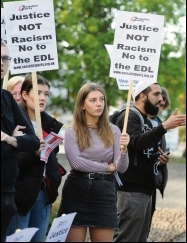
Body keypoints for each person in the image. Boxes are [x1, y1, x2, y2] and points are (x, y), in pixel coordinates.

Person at [113, 81, 186, 242]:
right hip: (130, 189)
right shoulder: (129, 116)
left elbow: (145, 150)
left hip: (146, 188)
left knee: (140, 238)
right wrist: (164, 127)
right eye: (156, 94)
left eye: (160, 94)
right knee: (127, 238)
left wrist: (161, 160)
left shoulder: (148, 119)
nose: (161, 98)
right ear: (142, 96)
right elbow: (137, 142)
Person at [57, 82, 130, 242]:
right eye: (93, 100)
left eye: (102, 99)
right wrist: (107, 167)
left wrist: (124, 150)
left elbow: (121, 167)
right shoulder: (72, 131)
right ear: (82, 104)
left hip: (104, 192)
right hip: (77, 189)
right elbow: (76, 162)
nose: (99, 104)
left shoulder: (114, 130)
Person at [7, 75, 66, 242]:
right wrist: (31, 150)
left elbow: (50, 160)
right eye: (38, 92)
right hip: (20, 197)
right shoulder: (13, 123)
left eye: (46, 94)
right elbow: (11, 162)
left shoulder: (51, 125)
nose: (42, 98)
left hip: (44, 195)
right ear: (25, 95)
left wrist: (53, 181)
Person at [1, 41, 40, 242]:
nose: (1, 63)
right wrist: (16, 143)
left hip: (8, 192)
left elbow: (33, 141)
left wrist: (10, 139)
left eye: (5, 58)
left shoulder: (7, 97)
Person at [148, 87, 171, 224]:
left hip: (152, 181)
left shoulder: (160, 124)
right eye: (158, 104)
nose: (160, 108)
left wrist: (163, 161)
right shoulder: (136, 119)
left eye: (162, 106)